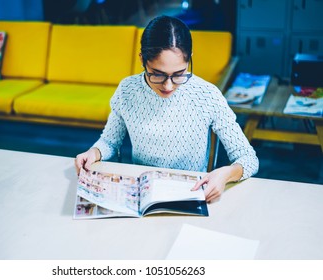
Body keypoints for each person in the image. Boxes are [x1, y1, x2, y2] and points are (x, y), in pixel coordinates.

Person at [75, 15, 259, 202]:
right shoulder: (128, 90)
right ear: (142, 59)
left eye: (179, 74)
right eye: (157, 74)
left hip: (189, 194)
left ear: (190, 60)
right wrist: (94, 152)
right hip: (140, 193)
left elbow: (248, 158)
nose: (168, 86)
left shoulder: (207, 95)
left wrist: (226, 174)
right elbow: (109, 141)